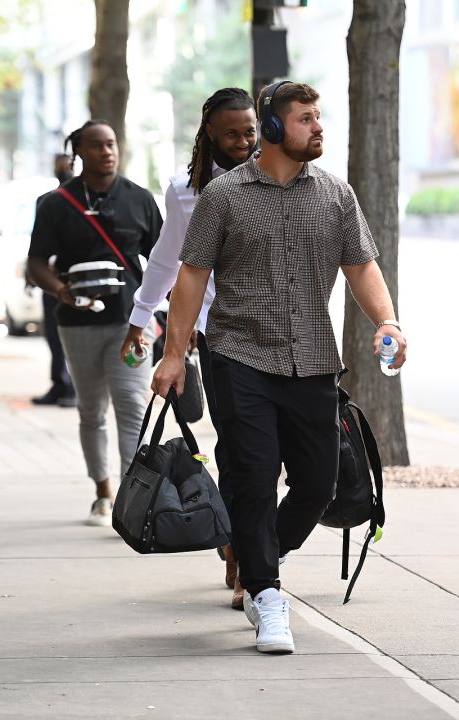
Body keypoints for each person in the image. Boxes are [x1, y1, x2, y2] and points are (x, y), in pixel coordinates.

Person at [151, 81, 408, 655]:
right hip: (239, 354)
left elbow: (361, 264)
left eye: (319, 118)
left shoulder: (336, 195)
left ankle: (258, 548)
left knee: (319, 484)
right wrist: (173, 354)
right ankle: (267, 595)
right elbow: (190, 274)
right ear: (272, 128)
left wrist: (388, 322)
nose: (318, 128)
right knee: (254, 475)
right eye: (306, 119)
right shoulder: (224, 196)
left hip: (314, 359)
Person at [120, 88, 259, 610]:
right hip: (218, 336)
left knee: (266, 453)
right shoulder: (185, 191)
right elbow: (166, 260)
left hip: (274, 335)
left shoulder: (277, 176)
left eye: (250, 130)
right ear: (209, 134)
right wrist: (141, 320)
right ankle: (243, 553)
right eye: (231, 133)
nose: (243, 142)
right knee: (240, 449)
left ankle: (246, 542)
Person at [27, 121, 162, 526]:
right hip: (76, 323)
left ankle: (130, 501)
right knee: (91, 410)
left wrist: (177, 319)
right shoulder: (56, 204)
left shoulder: (139, 199)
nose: (107, 152)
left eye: (112, 144)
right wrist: (61, 290)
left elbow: (164, 263)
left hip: (132, 322)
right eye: (97, 146)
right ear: (79, 153)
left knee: (132, 408)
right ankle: (102, 491)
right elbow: (35, 263)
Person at [32, 153, 78, 408]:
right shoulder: (46, 201)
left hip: (77, 281)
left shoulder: (86, 202)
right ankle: (59, 383)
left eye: (68, 165)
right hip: (52, 281)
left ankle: (73, 386)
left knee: (72, 336)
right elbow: (37, 247)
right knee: (52, 333)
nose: (63, 169)